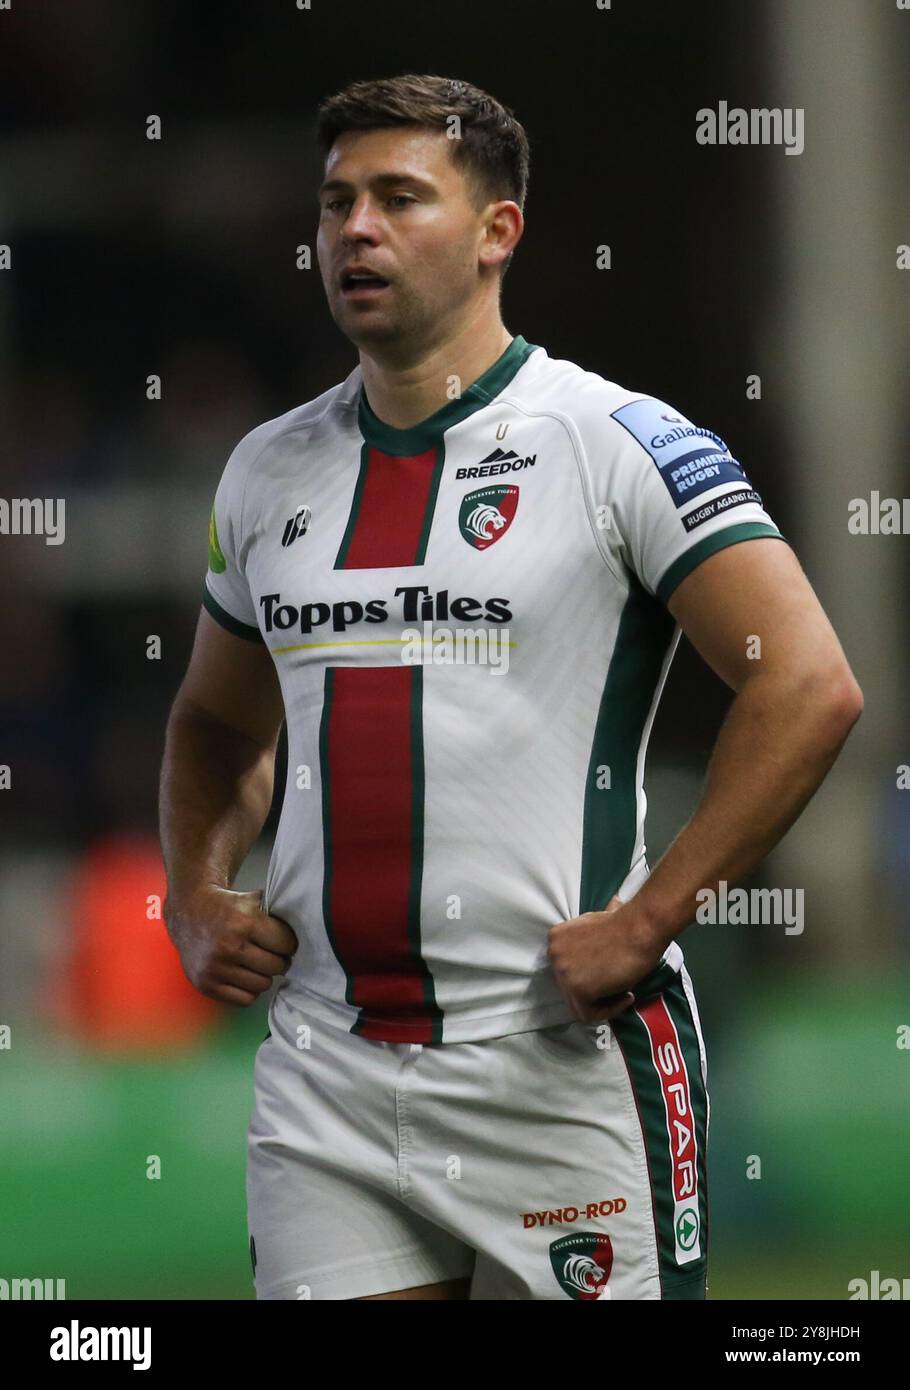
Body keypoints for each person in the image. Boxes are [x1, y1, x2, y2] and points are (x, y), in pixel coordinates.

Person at [159, 73, 863, 1301]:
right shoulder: (265, 472)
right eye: (335, 205)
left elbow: (805, 686)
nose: (354, 231)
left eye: (396, 198)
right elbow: (220, 718)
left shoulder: (617, 443)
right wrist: (192, 892)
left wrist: (650, 920)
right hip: (326, 1065)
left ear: (498, 233)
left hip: (560, 1067)